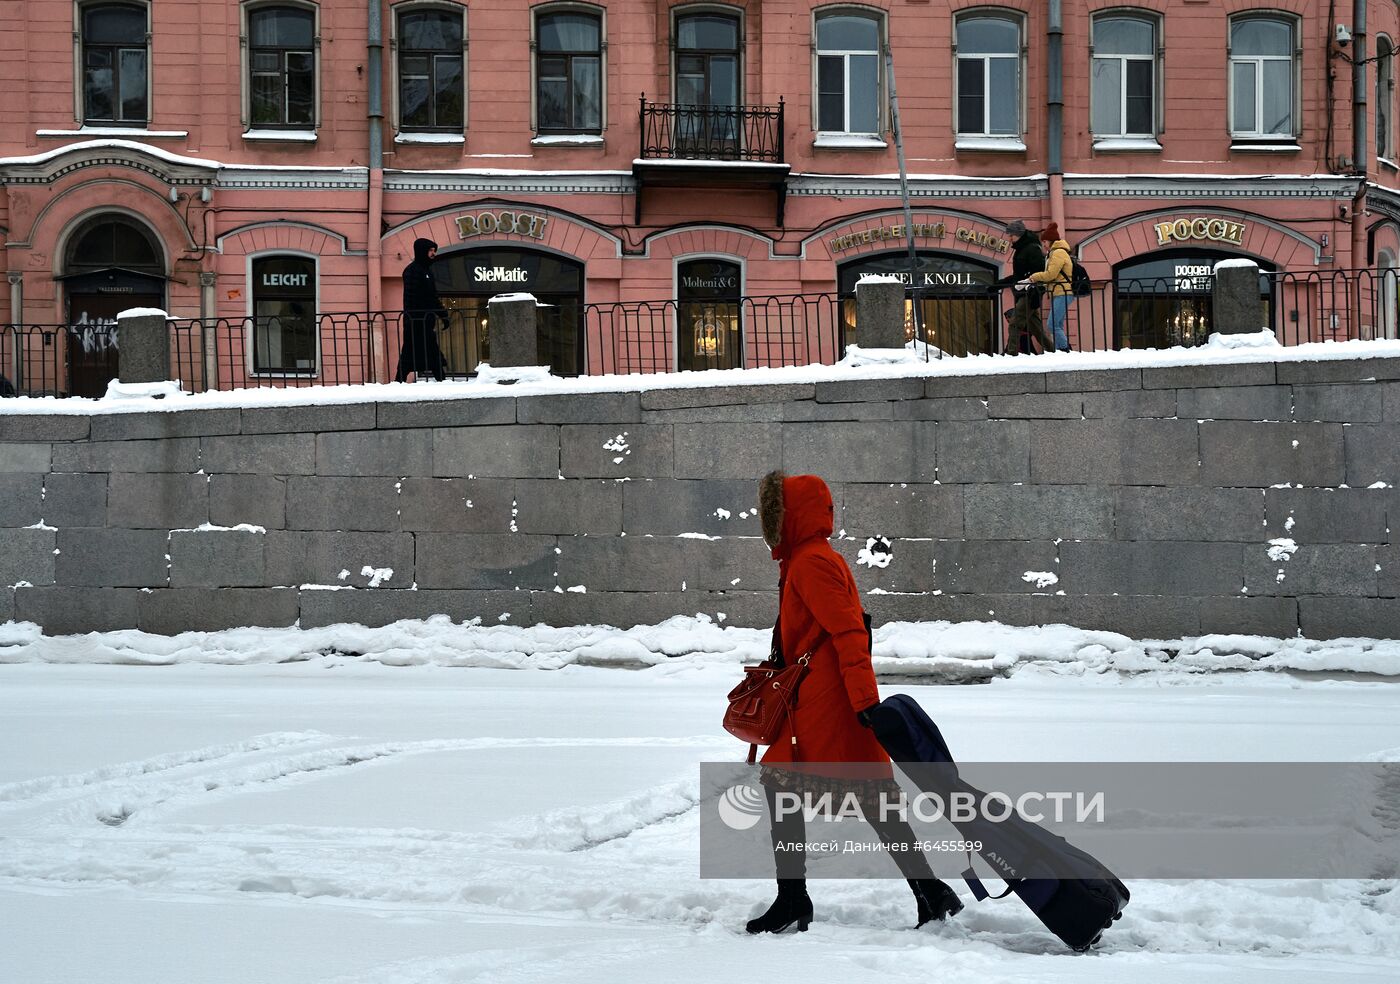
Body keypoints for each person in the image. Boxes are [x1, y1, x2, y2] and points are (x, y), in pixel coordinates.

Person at [745, 470, 963, 935]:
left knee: (782, 785)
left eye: (773, 513)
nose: (769, 522)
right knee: (872, 797)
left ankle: (793, 900)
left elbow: (849, 631)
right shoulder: (812, 558)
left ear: (791, 516)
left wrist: (866, 702)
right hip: (826, 697)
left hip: (824, 703)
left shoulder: (809, 563)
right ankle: (931, 892)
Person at [395, 238, 449, 382]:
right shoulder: (412, 271)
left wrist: (443, 315)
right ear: (422, 251)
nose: (433, 254)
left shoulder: (427, 272)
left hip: (425, 323)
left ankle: (442, 382)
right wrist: (419, 318)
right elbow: (413, 299)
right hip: (415, 324)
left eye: (434, 250)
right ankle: (397, 383)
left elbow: (432, 297)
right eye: (430, 250)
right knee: (409, 358)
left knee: (431, 356)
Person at [997, 220, 1053, 355]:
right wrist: (1000, 283)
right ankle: (1053, 351)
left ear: (1019, 234)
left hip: (1030, 293)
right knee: (1036, 328)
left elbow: (1039, 271)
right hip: (1024, 292)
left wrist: (1036, 289)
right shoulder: (1022, 249)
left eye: (1011, 236)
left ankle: (1011, 354)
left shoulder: (1032, 248)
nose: (1009, 238)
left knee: (1015, 323)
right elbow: (1018, 276)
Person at [1028, 222, 1074, 353]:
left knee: (1052, 324)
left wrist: (1035, 277)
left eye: (1045, 241)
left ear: (1050, 240)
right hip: (1059, 292)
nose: (1043, 244)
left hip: (1063, 292)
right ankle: (1062, 350)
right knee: (1057, 324)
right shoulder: (1054, 253)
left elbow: (1051, 274)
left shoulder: (1058, 253)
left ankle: (1065, 349)